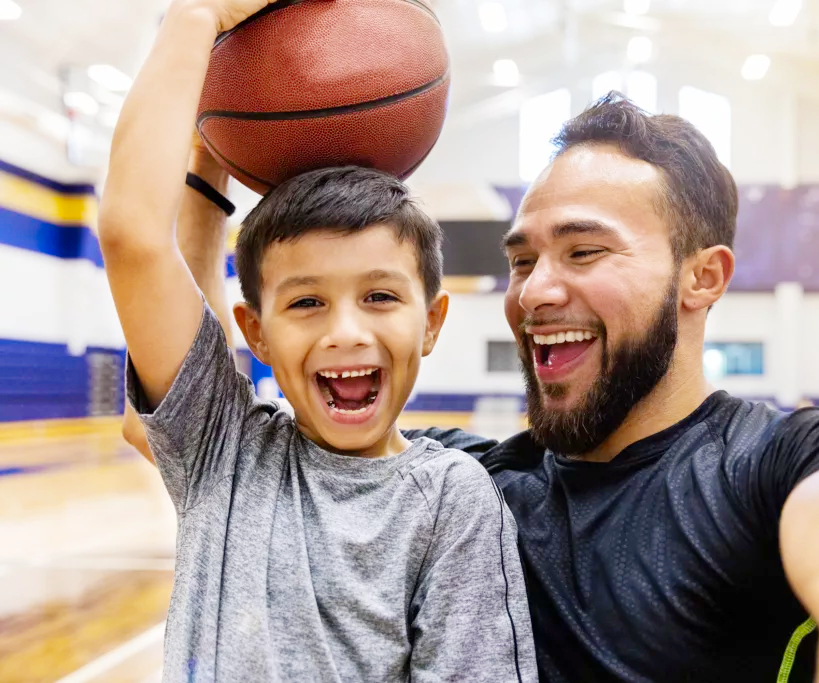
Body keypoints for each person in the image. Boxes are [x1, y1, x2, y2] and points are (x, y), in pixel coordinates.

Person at [121, 79, 819, 683]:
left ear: (703, 277)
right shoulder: (464, 481)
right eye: (523, 259)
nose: (538, 289)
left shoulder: (781, 463)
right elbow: (183, 401)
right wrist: (215, 169)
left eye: (585, 250)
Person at [98, 0, 537, 681]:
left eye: (380, 296)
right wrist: (196, 23)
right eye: (306, 302)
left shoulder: (453, 498)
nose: (345, 331)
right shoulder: (224, 453)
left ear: (433, 321)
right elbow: (133, 235)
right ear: (255, 333)